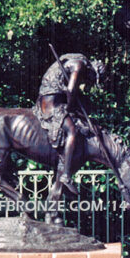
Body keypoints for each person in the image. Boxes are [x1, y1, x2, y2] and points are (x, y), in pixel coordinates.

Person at [33, 53, 105, 194]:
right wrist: (70, 107)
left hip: (56, 98)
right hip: (51, 102)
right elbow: (71, 90)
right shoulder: (79, 65)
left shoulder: (76, 62)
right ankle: (66, 174)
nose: (87, 81)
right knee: (72, 130)